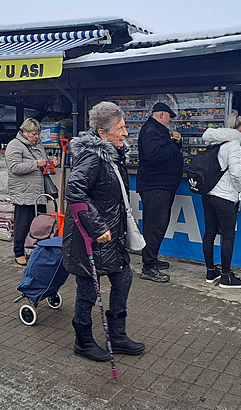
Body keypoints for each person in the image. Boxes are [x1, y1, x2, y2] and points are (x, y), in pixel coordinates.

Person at [63, 101, 144, 362]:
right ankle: (83, 341)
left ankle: (117, 336)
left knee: (123, 279)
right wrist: (97, 227)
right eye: (120, 128)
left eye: (124, 127)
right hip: (91, 237)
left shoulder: (113, 154)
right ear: (102, 133)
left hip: (112, 237)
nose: (125, 133)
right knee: (87, 291)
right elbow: (74, 192)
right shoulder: (93, 157)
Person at [200, 111, 241, 289]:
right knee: (228, 235)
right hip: (225, 196)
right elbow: (236, 172)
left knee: (209, 232)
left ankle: (211, 271)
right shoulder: (234, 144)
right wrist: (240, 188)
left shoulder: (214, 142)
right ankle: (226, 277)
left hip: (209, 194)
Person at [136, 102, 183, 283]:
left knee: (158, 225)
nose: (170, 120)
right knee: (155, 226)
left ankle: (151, 259)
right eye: (169, 116)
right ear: (162, 114)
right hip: (155, 186)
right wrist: (172, 143)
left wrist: (176, 143)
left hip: (161, 185)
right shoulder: (151, 130)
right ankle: (148, 267)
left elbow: (166, 153)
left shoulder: (157, 130)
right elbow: (154, 154)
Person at [5, 118, 53, 266]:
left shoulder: (38, 144)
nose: (37, 137)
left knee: (41, 224)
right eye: (33, 134)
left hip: (39, 192)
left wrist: (50, 163)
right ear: (24, 132)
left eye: (38, 133)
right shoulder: (14, 145)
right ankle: (19, 252)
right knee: (22, 225)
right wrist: (36, 164)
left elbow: (42, 162)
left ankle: (37, 252)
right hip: (23, 192)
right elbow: (14, 167)